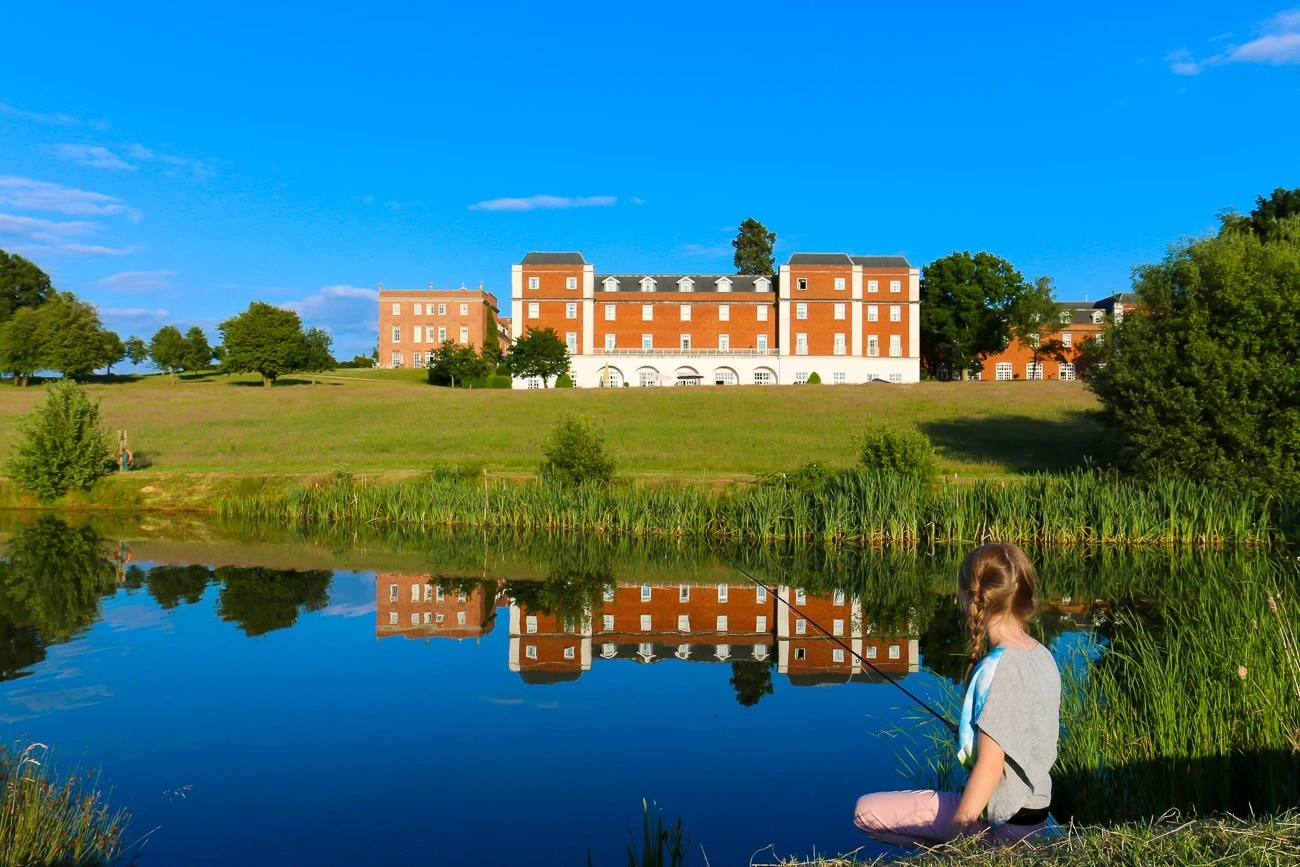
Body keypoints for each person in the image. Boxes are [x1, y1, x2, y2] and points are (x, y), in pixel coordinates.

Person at [854, 542, 1061, 847]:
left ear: (969, 598)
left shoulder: (996, 668)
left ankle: (972, 848)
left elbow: (990, 767)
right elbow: (1024, 735)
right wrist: (973, 734)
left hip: (1002, 821)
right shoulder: (1042, 655)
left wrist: (955, 840)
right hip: (1034, 817)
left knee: (865, 813)